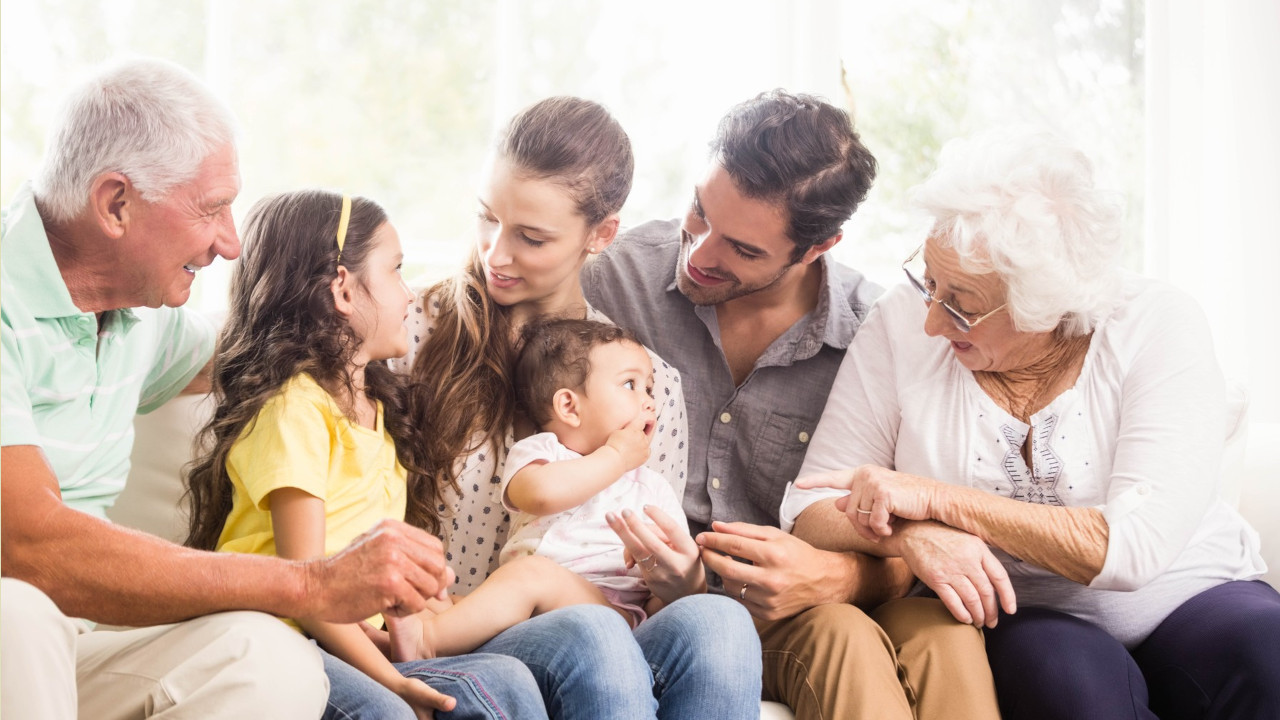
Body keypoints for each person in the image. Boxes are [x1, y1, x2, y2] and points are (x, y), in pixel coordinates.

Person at [0, 58, 461, 720]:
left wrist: (380, 315)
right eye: (212, 209)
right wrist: (307, 583)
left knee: (267, 659)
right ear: (116, 203)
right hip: (13, 617)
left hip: (78, 640)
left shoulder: (135, 321)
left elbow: (267, 339)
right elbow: (29, 546)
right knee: (14, 610)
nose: (231, 242)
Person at [785, 127, 1280, 720]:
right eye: (929, 281)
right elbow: (808, 506)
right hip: (1028, 613)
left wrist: (935, 499)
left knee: (1266, 655)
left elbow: (1132, 547)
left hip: (1192, 594)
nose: (932, 325)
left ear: (1047, 306)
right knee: (1072, 687)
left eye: (962, 306)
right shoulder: (897, 326)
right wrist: (912, 535)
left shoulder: (1157, 325)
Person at [581, 89, 1000, 720]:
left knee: (943, 633)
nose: (700, 254)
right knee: (841, 633)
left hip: (799, 601)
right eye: (699, 211)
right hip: (674, 610)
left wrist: (844, 575)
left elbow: (905, 535)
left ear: (816, 248)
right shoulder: (615, 278)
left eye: (744, 250)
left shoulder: (875, 333)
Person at [391, 95, 761, 719]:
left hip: (599, 621)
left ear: (602, 234)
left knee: (720, 620)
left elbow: (652, 588)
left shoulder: (648, 386)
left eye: (531, 237)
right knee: (596, 637)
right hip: (466, 631)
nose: (495, 255)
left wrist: (683, 580)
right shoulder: (407, 331)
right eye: (487, 218)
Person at [183, 189, 547, 719]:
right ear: (344, 290)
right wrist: (394, 685)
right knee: (392, 715)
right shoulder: (296, 410)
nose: (408, 294)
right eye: (396, 271)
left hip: (341, 639)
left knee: (506, 679)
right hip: (280, 634)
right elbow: (304, 586)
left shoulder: (377, 409)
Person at [387, 319, 697, 661]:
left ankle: (426, 642)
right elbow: (538, 495)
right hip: (530, 609)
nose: (649, 402)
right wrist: (616, 457)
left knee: (529, 576)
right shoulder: (541, 451)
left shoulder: (652, 487)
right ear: (569, 407)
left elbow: (671, 583)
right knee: (440, 598)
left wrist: (666, 574)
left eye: (649, 389)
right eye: (630, 384)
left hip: (614, 614)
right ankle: (407, 638)